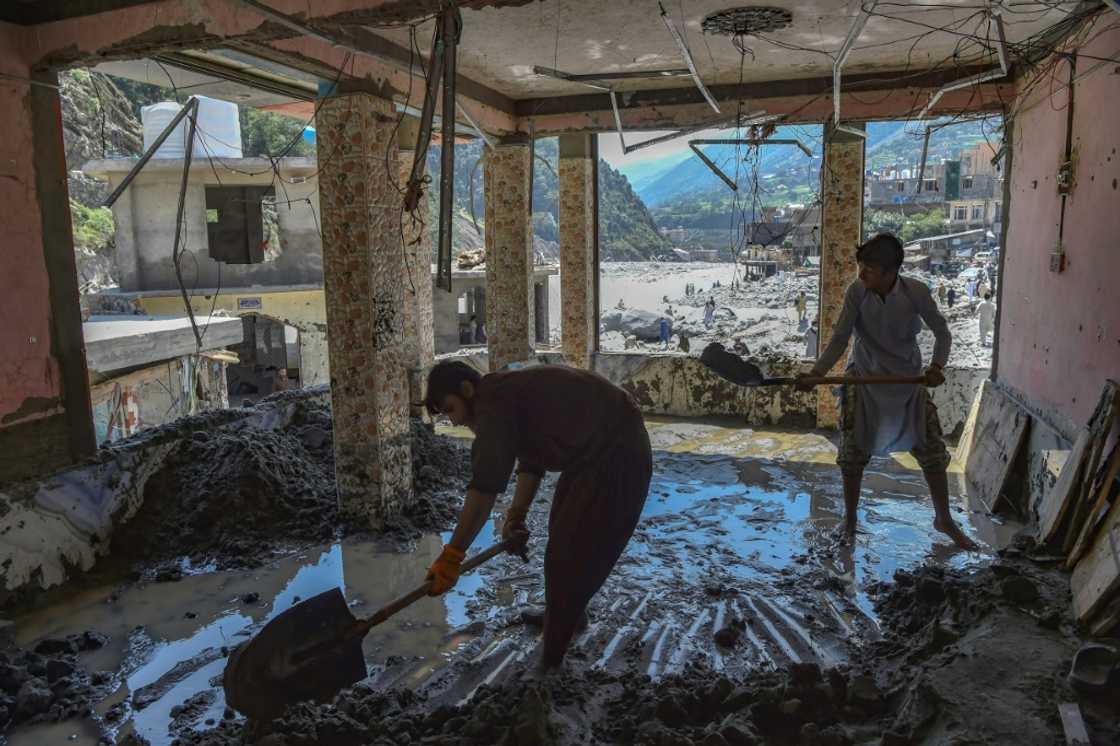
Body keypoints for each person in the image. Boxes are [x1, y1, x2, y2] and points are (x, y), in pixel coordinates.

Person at [423, 361, 652, 670]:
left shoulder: (493, 404)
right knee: (562, 535)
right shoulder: (503, 395)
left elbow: (484, 490)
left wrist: (452, 555)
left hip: (617, 452)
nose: (453, 420)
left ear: (467, 390)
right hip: (590, 454)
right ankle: (566, 614)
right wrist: (517, 515)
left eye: (450, 409)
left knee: (566, 553)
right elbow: (531, 461)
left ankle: (551, 659)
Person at [797, 233, 977, 551]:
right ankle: (850, 521)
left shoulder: (915, 293)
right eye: (861, 267)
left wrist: (936, 368)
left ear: (889, 272)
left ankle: (944, 519)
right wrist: (815, 374)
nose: (862, 274)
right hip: (864, 379)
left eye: (869, 269)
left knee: (932, 452)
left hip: (908, 382)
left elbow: (942, 333)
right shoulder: (858, 293)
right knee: (852, 454)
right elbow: (840, 339)